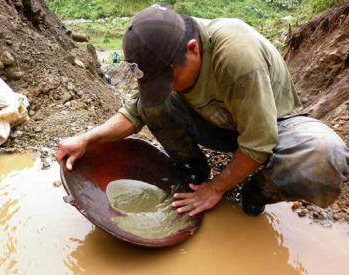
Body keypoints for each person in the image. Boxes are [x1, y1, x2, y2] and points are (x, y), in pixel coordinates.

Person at [57, 4, 349, 216]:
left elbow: (260, 141)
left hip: (274, 125)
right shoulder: (166, 48)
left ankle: (259, 189)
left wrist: (217, 188)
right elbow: (134, 111)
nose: (168, 87)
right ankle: (193, 170)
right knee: (153, 104)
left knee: (325, 157)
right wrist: (88, 138)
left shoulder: (236, 56)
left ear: (193, 49)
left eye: (170, 79)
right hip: (222, 124)